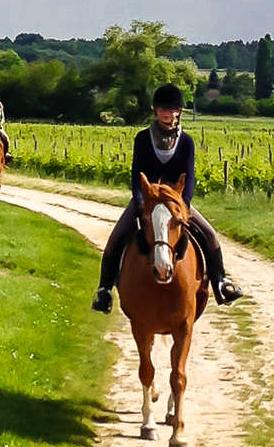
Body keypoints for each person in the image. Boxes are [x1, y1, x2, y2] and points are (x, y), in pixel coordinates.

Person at [93, 83, 245, 313]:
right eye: (163, 108)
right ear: (155, 110)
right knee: (115, 240)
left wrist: (183, 204)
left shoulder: (186, 142)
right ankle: (104, 291)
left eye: (172, 108)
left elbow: (190, 178)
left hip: (177, 205)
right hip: (148, 202)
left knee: (211, 236)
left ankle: (221, 282)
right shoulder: (143, 139)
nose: (167, 113)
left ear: (179, 111)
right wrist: (141, 203)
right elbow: (136, 177)